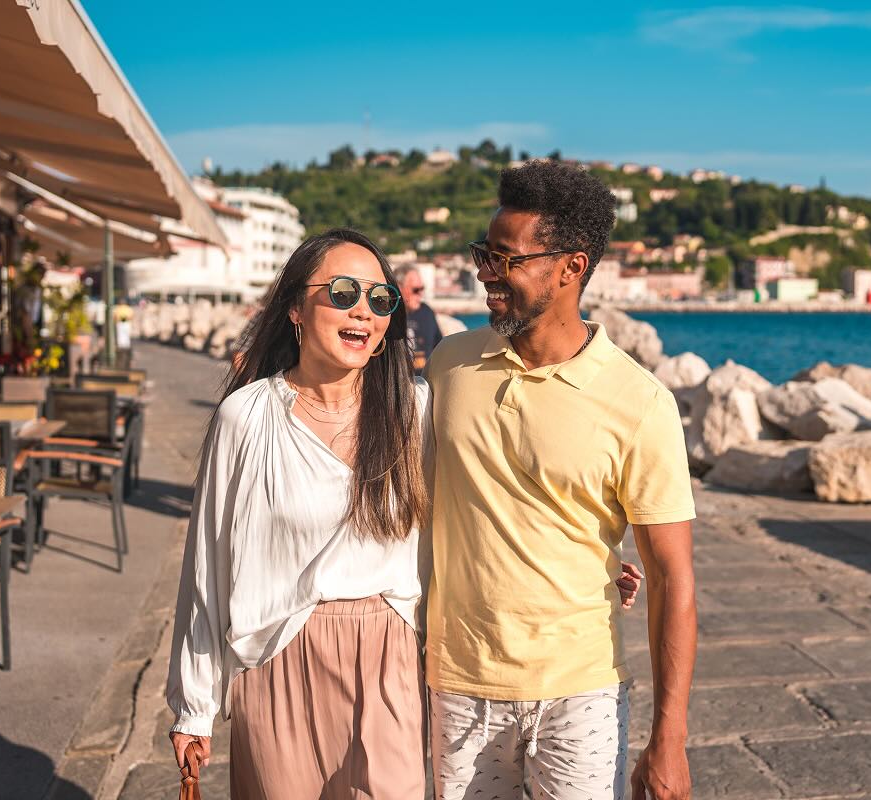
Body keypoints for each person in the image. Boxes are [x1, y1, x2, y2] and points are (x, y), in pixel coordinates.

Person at [424, 160, 697, 800]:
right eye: (483, 255)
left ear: (571, 267)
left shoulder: (640, 402)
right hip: (457, 685)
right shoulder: (449, 365)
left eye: (506, 260)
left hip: (583, 690)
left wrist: (670, 741)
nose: (486, 274)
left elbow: (672, 576)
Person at [165, 228, 430, 798]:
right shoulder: (249, 416)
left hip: (389, 657)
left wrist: (597, 562)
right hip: (277, 653)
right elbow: (207, 566)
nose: (363, 309)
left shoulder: (415, 410)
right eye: (341, 292)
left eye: (380, 299)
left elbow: (481, 508)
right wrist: (194, 706)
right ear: (294, 308)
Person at [395, 263, 442, 373]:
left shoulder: (426, 312)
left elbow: (440, 347)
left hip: (425, 381)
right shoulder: (387, 316)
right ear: (398, 287)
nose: (420, 294)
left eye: (422, 289)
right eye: (416, 290)